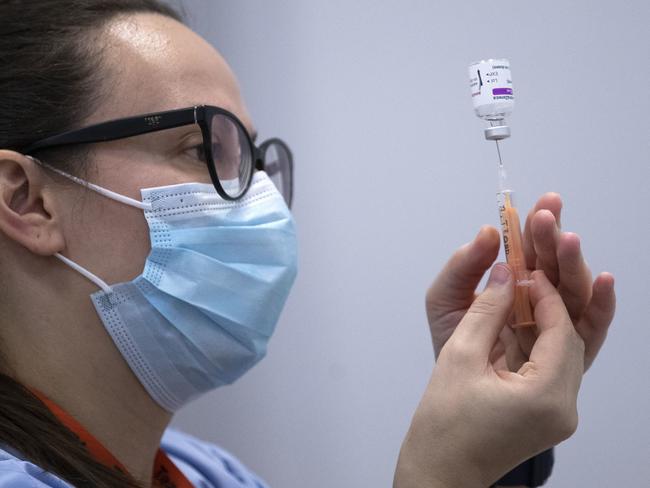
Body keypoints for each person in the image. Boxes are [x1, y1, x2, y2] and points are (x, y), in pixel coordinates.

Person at [0, 1, 616, 487]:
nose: (259, 197)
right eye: (203, 149)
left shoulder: (208, 475)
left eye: (253, 158)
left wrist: (498, 460)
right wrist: (441, 478)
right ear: (27, 198)